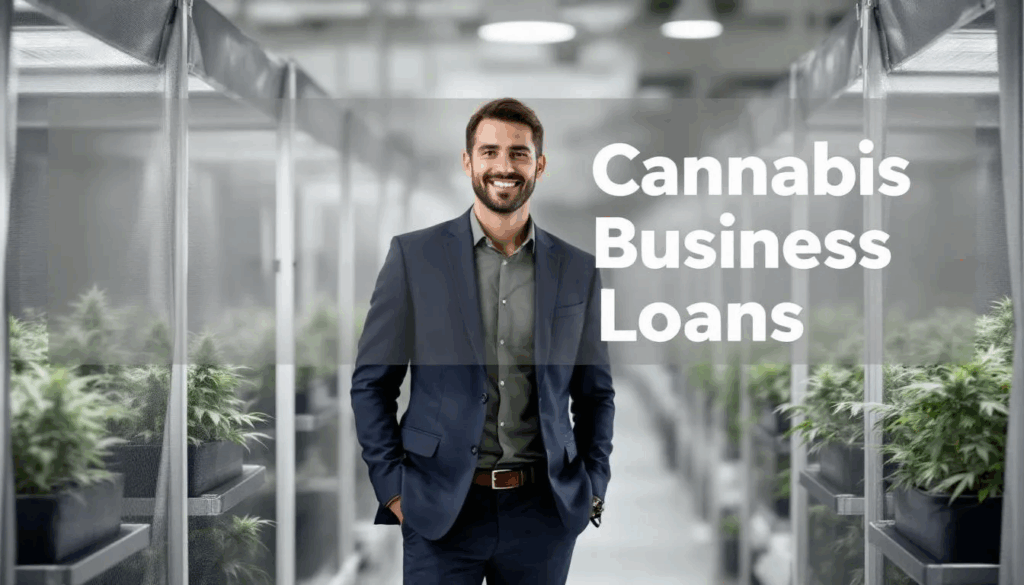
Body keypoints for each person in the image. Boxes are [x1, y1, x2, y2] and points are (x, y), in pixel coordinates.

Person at [351, 97, 615, 585]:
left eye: (518, 152)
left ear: (539, 164)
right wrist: (393, 490)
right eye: (489, 151)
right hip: (440, 509)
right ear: (468, 161)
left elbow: (595, 392)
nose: (504, 165)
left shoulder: (577, 270)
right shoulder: (415, 257)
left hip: (543, 513)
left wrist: (593, 484)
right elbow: (372, 383)